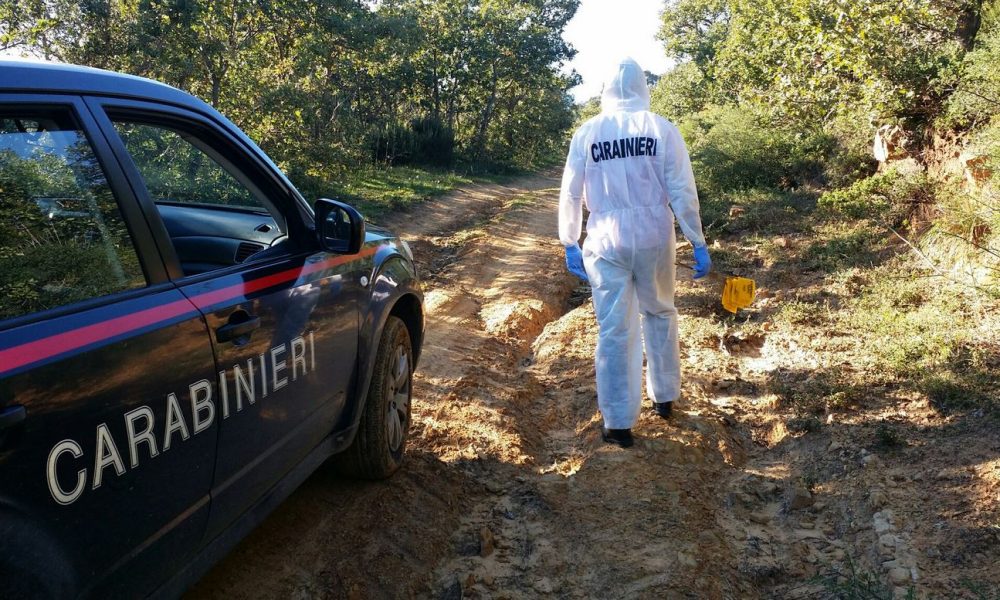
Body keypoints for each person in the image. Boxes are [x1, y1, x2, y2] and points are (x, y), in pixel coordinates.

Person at [558, 57, 711, 449]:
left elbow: (572, 192)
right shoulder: (661, 129)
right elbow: (681, 189)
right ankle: (664, 397)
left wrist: (570, 240)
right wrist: (696, 239)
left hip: (605, 237)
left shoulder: (588, 132)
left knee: (614, 329)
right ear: (644, 87)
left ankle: (619, 423)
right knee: (660, 312)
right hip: (653, 236)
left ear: (604, 89)